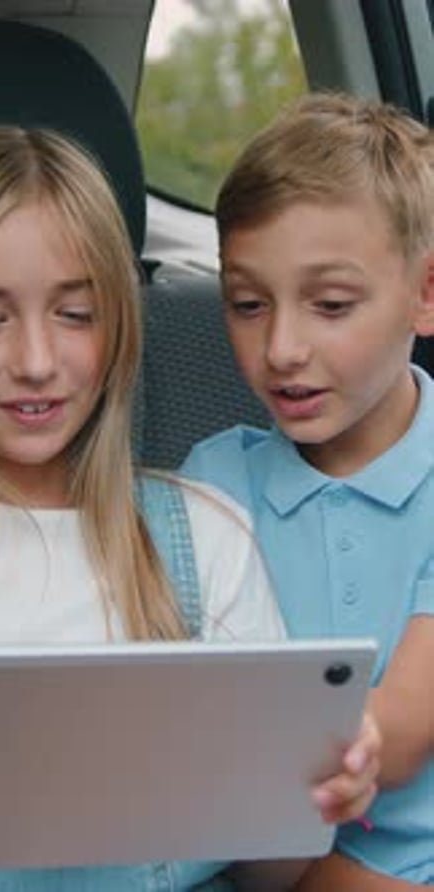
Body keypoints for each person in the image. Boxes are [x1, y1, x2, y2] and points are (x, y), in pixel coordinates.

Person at [0, 124, 379, 891]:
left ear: (120, 327)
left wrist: (313, 795)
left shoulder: (201, 540)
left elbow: (271, 874)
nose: (37, 362)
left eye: (75, 316)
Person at [182, 92, 434, 889]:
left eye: (329, 306)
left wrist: (335, 750)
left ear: (426, 295)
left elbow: (398, 730)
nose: (282, 348)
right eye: (247, 305)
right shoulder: (212, 486)